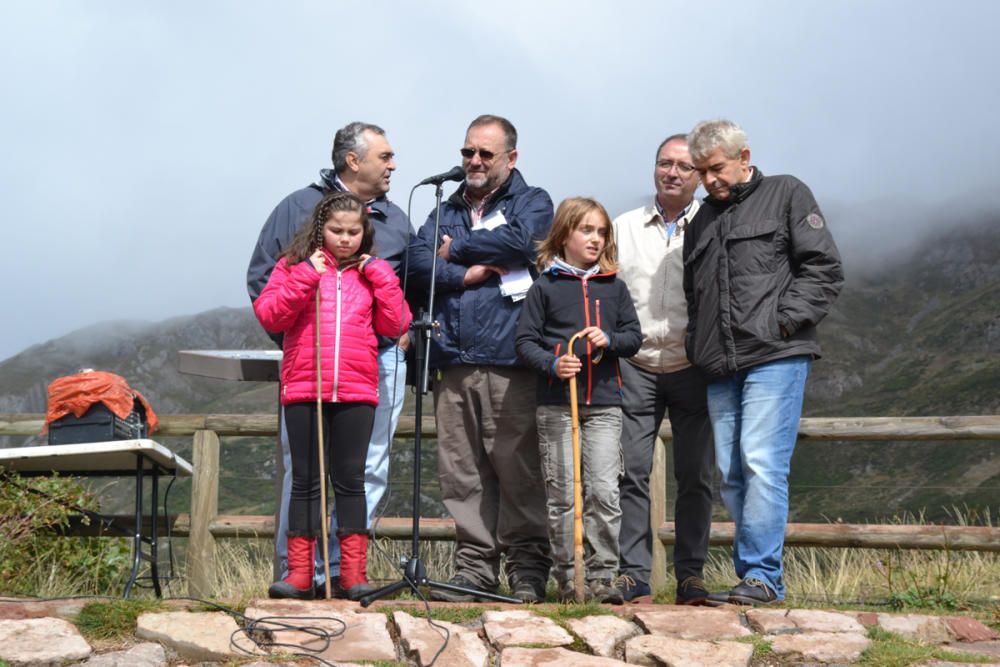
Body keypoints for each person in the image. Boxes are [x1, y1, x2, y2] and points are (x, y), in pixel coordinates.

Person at [247, 122, 418, 595]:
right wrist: (305, 276)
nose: (344, 239)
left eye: (352, 232)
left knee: (353, 479)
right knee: (304, 480)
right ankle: (300, 576)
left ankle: (352, 575)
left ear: (365, 235)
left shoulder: (372, 270)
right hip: (305, 383)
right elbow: (271, 309)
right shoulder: (297, 264)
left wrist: (382, 277)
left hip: (360, 384)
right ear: (320, 230)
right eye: (336, 231)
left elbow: (395, 322)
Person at [683, 119, 843, 605]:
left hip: (774, 354)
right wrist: (698, 344)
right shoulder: (700, 223)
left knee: (761, 462)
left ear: (743, 157)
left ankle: (762, 577)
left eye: (716, 168)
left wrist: (784, 323)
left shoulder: (787, 193)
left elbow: (824, 268)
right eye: (701, 171)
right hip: (719, 365)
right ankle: (751, 577)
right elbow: (695, 296)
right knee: (731, 471)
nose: (708, 180)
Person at [412, 114, 554, 602]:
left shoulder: (532, 201)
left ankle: (528, 570)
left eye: (484, 154)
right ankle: (473, 570)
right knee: (461, 472)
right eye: (467, 152)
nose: (473, 161)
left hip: (510, 360)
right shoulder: (444, 206)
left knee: (518, 469)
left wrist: (458, 248)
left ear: (511, 158)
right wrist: (466, 274)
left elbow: (525, 242)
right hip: (452, 358)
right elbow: (416, 261)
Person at [515, 197, 642, 604]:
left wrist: (611, 340)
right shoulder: (545, 286)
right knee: (563, 496)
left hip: (604, 405)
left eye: (601, 231)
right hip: (557, 406)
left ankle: (604, 578)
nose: (595, 238)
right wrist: (555, 364)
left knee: (604, 491)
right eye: (586, 229)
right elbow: (525, 342)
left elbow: (634, 338)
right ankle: (570, 580)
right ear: (564, 234)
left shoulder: (614, 287)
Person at [612, 135, 716, 605]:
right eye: (663, 164)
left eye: (683, 166)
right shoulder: (624, 226)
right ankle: (634, 574)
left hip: (694, 364)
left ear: (698, 174)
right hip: (635, 364)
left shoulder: (715, 223)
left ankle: (690, 576)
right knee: (630, 472)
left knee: (695, 475)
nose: (672, 173)